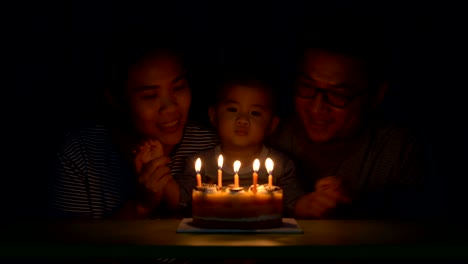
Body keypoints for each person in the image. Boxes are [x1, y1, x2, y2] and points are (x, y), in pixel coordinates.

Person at [269, 22, 428, 219]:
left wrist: (357, 207)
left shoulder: (396, 151)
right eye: (307, 87)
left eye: (338, 95)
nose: (317, 107)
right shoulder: (269, 137)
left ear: (376, 96)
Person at [48, 36, 219, 219]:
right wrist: (140, 205)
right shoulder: (80, 154)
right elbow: (68, 243)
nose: (170, 107)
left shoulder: (213, 147)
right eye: (150, 96)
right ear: (117, 100)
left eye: (178, 87)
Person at [179, 69, 305, 217]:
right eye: (233, 109)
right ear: (214, 116)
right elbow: (180, 200)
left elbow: (295, 205)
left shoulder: (281, 166)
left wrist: (312, 203)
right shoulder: (200, 165)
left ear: (272, 125)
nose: (243, 119)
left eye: (255, 113)